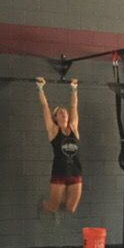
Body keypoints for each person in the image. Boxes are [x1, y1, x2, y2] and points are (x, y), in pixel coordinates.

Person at [36, 77, 82, 215]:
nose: (63, 113)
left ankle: (61, 203)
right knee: (52, 207)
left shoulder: (73, 127)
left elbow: (73, 106)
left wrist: (74, 89)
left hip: (75, 172)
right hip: (59, 173)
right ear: (55, 118)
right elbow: (45, 107)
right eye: (59, 112)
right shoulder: (53, 130)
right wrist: (40, 88)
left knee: (70, 208)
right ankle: (42, 205)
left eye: (64, 111)